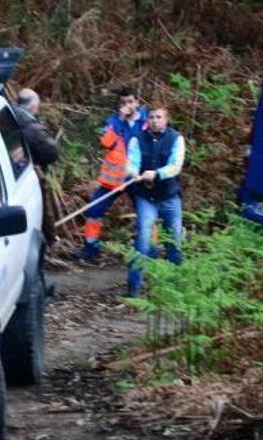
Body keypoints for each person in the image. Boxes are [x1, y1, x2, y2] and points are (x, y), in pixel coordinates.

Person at [73, 87, 148, 260]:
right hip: (114, 179)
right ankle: (91, 248)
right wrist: (120, 121)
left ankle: (148, 251)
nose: (127, 105)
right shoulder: (112, 122)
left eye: (130, 102)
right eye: (123, 103)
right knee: (93, 210)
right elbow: (105, 143)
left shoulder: (146, 121)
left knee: (146, 214)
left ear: (137, 101)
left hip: (138, 178)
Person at [125, 106, 185, 297]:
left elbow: (175, 166)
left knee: (173, 241)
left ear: (166, 119)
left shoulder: (176, 138)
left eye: (158, 117)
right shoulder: (137, 139)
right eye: (151, 117)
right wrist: (134, 173)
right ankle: (134, 287)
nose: (154, 120)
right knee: (143, 239)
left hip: (170, 197)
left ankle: (175, 286)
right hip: (146, 198)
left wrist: (157, 174)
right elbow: (131, 162)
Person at [13, 88, 61, 245]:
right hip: (28, 173)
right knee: (40, 207)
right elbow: (51, 152)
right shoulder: (31, 128)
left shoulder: (9, 115)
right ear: (32, 105)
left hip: (14, 174)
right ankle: (48, 240)